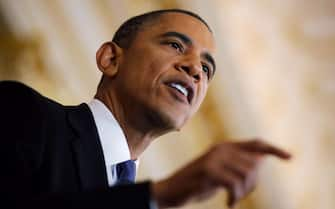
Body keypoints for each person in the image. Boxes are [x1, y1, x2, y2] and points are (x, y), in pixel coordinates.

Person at [0, 9, 291, 209]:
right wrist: (159, 195)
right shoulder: (23, 112)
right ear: (110, 59)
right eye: (176, 45)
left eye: (206, 68)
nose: (195, 70)